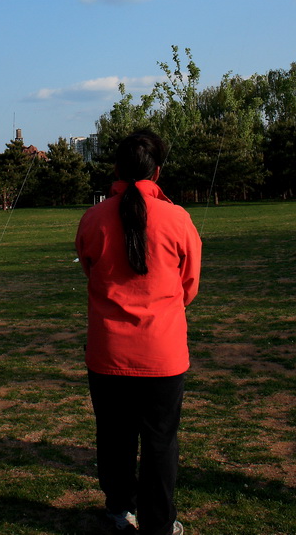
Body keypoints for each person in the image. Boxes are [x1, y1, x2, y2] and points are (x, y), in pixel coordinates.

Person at [75, 130, 202, 535]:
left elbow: (90, 269)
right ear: (157, 171)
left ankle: (119, 509)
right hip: (162, 354)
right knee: (160, 442)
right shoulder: (178, 218)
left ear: (115, 169)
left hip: (109, 352)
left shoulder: (94, 218)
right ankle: (158, 523)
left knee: (114, 439)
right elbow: (190, 284)